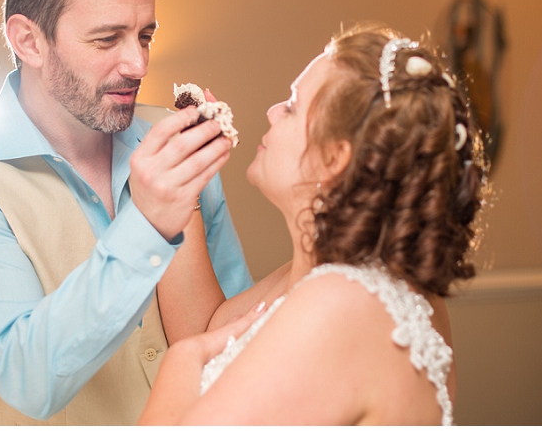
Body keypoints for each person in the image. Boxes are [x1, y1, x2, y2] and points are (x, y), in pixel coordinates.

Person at [0, 0, 252, 425]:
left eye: (145, 35)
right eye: (106, 39)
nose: (138, 64)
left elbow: (216, 334)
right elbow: (27, 376)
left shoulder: (174, 141)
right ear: (28, 41)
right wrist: (148, 225)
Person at [138, 22, 488, 425]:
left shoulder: (339, 301)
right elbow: (209, 330)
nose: (272, 111)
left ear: (336, 158)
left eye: (291, 105)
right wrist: (182, 191)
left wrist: (182, 361)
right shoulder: (348, 274)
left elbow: (193, 349)